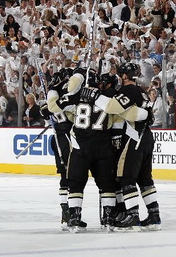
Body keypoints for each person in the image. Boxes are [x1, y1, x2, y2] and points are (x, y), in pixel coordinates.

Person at [93, 62, 159, 231]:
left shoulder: (129, 90)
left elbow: (111, 107)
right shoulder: (142, 91)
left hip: (134, 136)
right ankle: (154, 215)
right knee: (145, 179)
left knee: (126, 176)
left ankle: (132, 215)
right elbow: (144, 114)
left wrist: (94, 97)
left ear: (124, 76)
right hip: (146, 136)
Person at [54, 67, 117, 233]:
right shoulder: (108, 96)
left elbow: (52, 108)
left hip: (80, 147)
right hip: (103, 146)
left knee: (76, 184)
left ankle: (74, 217)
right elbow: (117, 111)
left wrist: (53, 90)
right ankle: (109, 218)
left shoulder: (75, 96)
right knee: (106, 184)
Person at [40, 67, 75, 231]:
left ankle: (68, 210)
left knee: (67, 175)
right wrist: (46, 112)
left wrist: (47, 109)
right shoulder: (60, 95)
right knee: (67, 175)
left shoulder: (57, 97)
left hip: (66, 137)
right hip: (64, 138)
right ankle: (68, 210)